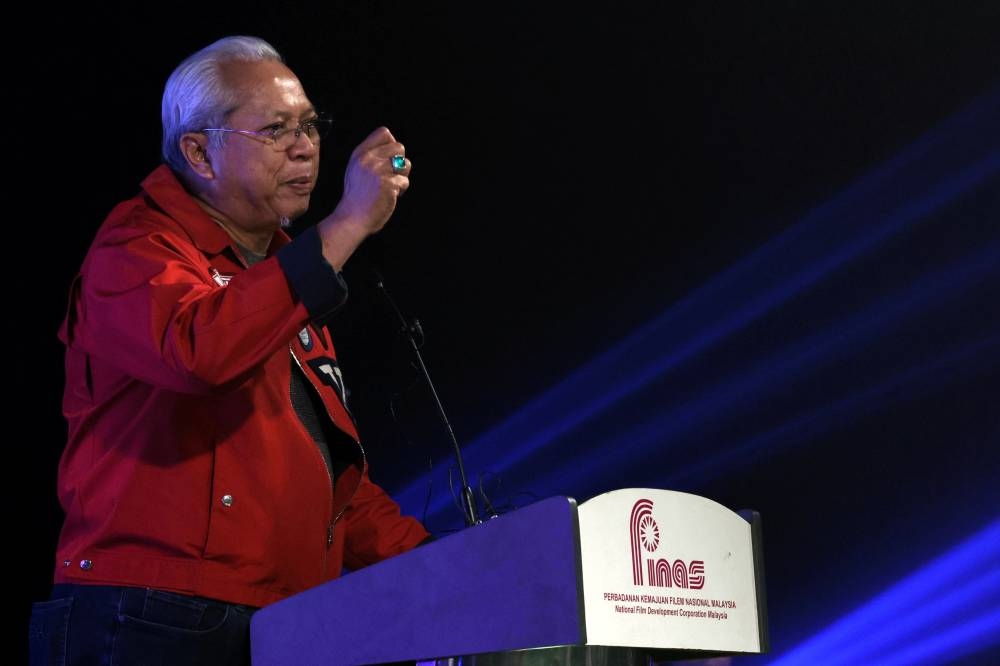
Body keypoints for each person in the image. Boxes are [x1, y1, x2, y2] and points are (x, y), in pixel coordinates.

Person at [28, 35, 430, 665]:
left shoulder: (283, 274)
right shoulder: (134, 248)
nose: (305, 146)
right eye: (275, 129)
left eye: (309, 125)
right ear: (200, 153)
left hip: (288, 615)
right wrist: (348, 222)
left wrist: (446, 564)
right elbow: (198, 352)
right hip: (152, 613)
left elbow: (332, 491)